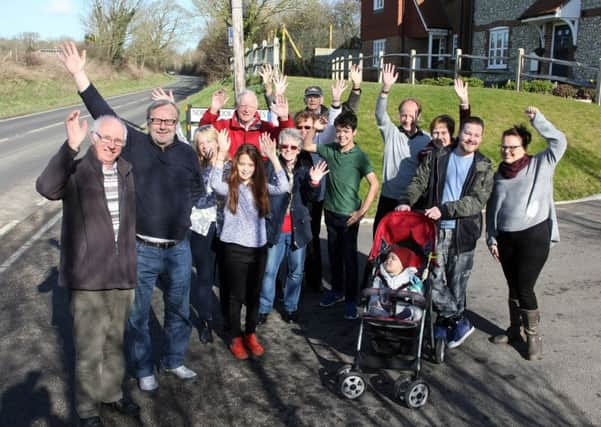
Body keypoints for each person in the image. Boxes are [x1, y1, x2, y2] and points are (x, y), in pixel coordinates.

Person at [58, 41, 203, 392]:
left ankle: (174, 359)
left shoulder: (187, 154)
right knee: (137, 315)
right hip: (143, 248)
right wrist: (79, 74)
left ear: (176, 122)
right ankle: (143, 369)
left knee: (179, 308)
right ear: (148, 122)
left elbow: (196, 190)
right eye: (157, 120)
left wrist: (181, 217)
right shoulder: (135, 143)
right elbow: (100, 108)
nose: (163, 125)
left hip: (179, 248)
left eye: (169, 120)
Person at [36, 111, 139, 426]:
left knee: (116, 342)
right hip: (89, 277)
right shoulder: (78, 171)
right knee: (89, 348)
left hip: (122, 275)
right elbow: (46, 187)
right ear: (93, 138)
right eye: (106, 137)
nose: (112, 144)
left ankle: (110, 394)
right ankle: (86, 408)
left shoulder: (127, 171)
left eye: (118, 140)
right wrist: (69, 147)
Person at [397, 116, 494, 349]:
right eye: (468, 133)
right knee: (432, 279)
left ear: (481, 138)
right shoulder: (438, 155)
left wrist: (444, 209)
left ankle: (445, 325)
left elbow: (476, 202)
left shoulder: (484, 165)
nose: (471, 138)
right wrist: (405, 201)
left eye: (476, 135)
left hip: (463, 233)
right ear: (460, 133)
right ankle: (459, 321)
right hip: (435, 230)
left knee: (457, 284)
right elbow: (419, 181)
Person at [487, 106, 567, 361]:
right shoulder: (499, 175)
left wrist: (538, 121)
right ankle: (514, 330)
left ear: (524, 147)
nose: (507, 151)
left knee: (525, 287)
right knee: (512, 286)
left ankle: (533, 335)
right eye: (504, 147)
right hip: (506, 238)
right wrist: (491, 236)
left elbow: (559, 141)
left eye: (513, 147)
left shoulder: (541, 164)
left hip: (534, 236)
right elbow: (492, 208)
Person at [210, 132, 290, 359]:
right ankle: (235, 337)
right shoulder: (230, 186)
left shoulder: (261, 187)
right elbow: (215, 184)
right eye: (242, 164)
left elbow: (284, 187)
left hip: (258, 249)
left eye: (250, 165)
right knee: (235, 296)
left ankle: (250, 333)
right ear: (236, 165)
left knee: (254, 295)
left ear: (256, 166)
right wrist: (220, 155)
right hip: (234, 248)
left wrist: (274, 158)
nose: (245, 168)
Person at [303, 110, 380, 320]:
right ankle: (336, 292)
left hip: (349, 216)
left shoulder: (360, 156)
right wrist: (314, 129)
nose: (342, 136)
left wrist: (361, 212)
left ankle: (351, 301)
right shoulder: (330, 150)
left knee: (349, 259)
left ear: (354, 132)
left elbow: (374, 184)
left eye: (346, 131)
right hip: (330, 211)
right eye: (338, 131)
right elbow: (307, 145)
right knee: (335, 256)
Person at [258, 129, 329, 324]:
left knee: (296, 271)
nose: (288, 150)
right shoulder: (270, 166)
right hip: (276, 227)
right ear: (279, 148)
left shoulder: (306, 169)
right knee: (269, 271)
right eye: (284, 146)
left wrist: (314, 183)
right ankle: (264, 308)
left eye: (293, 147)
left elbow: (311, 197)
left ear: (299, 150)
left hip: (299, 228)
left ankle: (291, 307)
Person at [374, 63, 431, 234]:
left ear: (418, 116)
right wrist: (385, 89)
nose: (407, 119)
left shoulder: (427, 139)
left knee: (408, 243)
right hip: (389, 197)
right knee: (381, 238)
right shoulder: (391, 132)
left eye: (411, 115)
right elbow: (379, 114)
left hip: (413, 200)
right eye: (403, 115)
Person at [188, 124, 231, 344]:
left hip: (226, 229)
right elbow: (200, 199)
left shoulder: (231, 166)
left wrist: (221, 159)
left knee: (226, 278)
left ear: (218, 142)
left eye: (209, 141)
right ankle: (204, 321)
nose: (205, 147)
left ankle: (227, 321)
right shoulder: (196, 168)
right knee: (204, 277)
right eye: (201, 143)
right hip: (202, 228)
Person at [198, 87, 293, 157]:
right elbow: (202, 133)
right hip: (229, 178)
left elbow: (287, 138)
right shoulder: (224, 126)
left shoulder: (266, 128)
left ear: (256, 108)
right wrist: (213, 110)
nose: (247, 110)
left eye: (251, 106)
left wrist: (284, 118)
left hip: (259, 178)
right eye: (243, 105)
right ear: (236, 106)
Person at [366, 245, 424, 321]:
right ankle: (382, 314)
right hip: (384, 307)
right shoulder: (381, 277)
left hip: (404, 306)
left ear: (402, 265)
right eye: (387, 258)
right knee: (373, 306)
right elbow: (374, 291)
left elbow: (418, 294)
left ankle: (405, 314)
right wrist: (374, 300)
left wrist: (412, 294)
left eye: (393, 258)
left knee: (417, 311)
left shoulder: (411, 278)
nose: (389, 260)